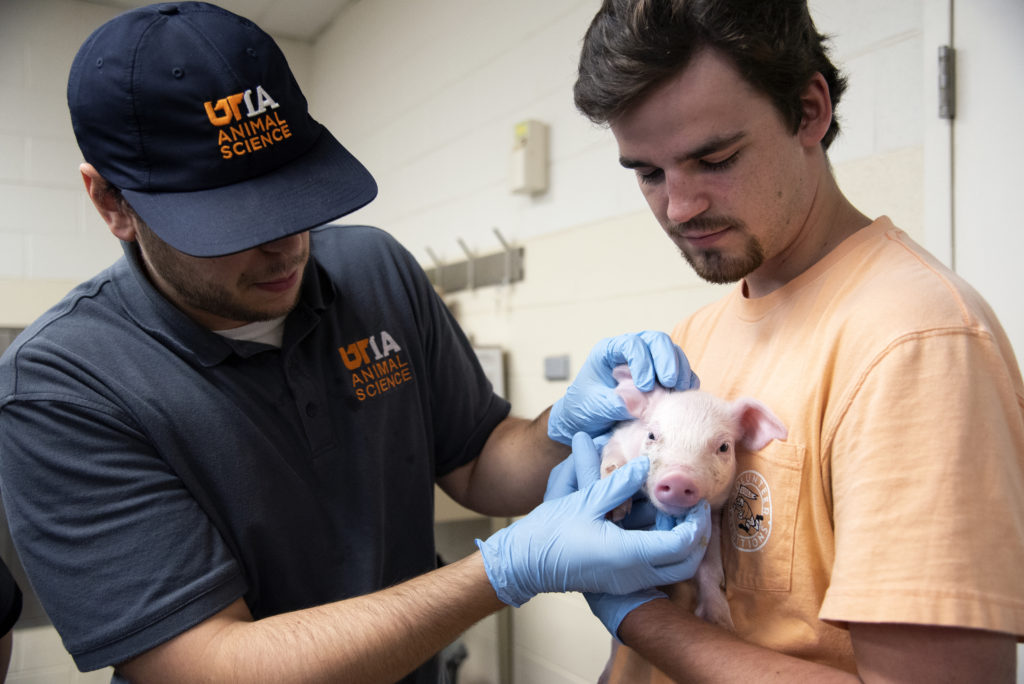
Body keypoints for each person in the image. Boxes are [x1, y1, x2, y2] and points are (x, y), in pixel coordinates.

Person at [0, 3, 711, 683]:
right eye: (234, 221)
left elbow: (478, 463)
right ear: (112, 204)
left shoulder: (374, 270)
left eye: (294, 196)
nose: (286, 245)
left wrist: (565, 428)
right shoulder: (59, 387)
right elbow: (212, 665)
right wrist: (503, 570)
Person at [569, 0, 1024, 682]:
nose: (678, 207)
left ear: (810, 112)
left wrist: (635, 613)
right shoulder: (695, 337)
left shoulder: (915, 344)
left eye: (714, 158)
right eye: (649, 173)